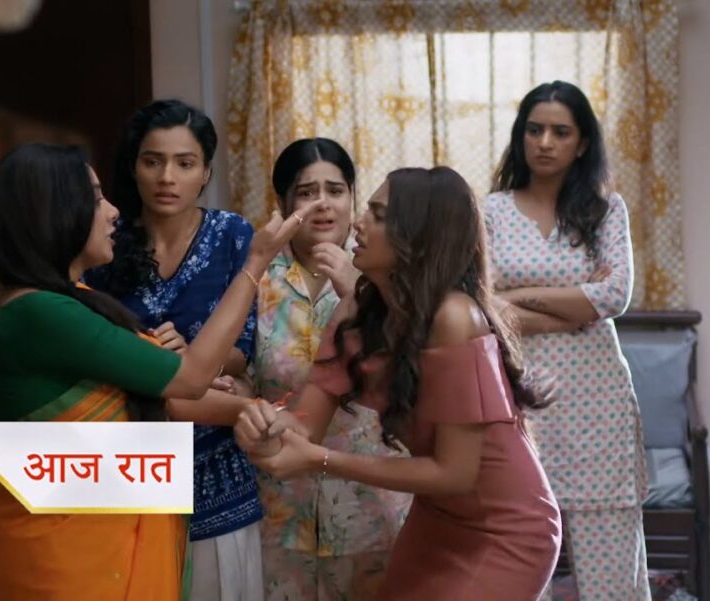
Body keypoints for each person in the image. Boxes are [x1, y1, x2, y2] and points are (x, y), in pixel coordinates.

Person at [0, 142, 318, 600]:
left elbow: (166, 396)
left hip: (83, 534)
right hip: (58, 562)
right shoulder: (41, 313)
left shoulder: (67, 301)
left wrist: (254, 409)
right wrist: (256, 261)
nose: (113, 211)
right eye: (96, 198)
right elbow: (190, 379)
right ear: (55, 211)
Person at [236, 167, 561, 600]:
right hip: (437, 516)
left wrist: (321, 460)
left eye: (379, 214)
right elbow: (304, 424)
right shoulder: (356, 312)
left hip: (508, 529)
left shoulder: (455, 317)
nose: (358, 222)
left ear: (418, 236)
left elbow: (455, 473)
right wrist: (266, 426)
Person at [84, 99, 265, 599]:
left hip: (218, 467)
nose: (168, 177)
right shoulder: (104, 240)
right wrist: (150, 356)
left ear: (206, 172)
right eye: (153, 161)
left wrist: (195, 355)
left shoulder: (233, 235)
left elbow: (244, 347)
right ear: (133, 166)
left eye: (185, 163)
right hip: (131, 464)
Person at [484, 80, 650, 600]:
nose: (545, 142)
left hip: (595, 400)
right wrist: (576, 306)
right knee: (522, 551)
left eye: (560, 132)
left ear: (582, 143)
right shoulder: (490, 211)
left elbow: (614, 296)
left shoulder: (606, 210)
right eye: (534, 130)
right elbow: (482, 306)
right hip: (517, 397)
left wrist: (519, 294)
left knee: (610, 561)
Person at [252, 138, 410, 600]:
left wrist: (357, 289)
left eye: (336, 191)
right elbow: (243, 365)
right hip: (282, 505)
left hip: (371, 498)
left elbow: (414, 372)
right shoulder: (258, 279)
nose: (323, 204)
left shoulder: (388, 277)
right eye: (307, 192)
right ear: (284, 203)